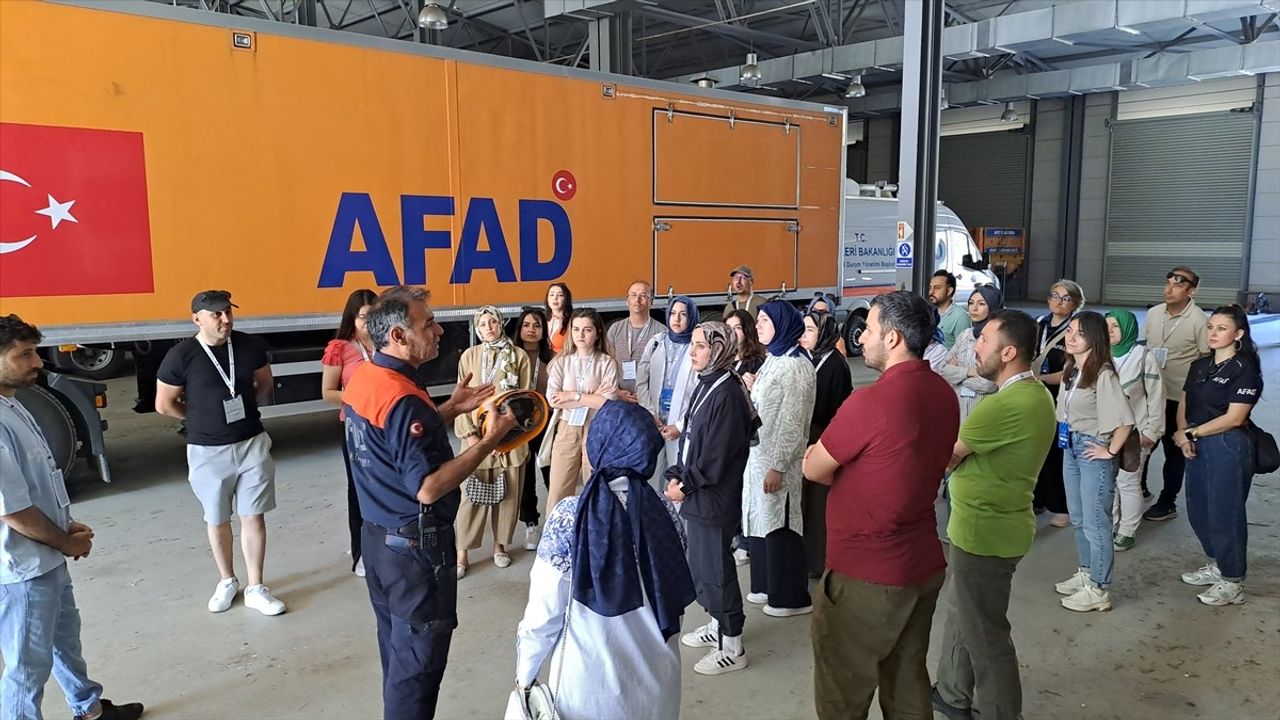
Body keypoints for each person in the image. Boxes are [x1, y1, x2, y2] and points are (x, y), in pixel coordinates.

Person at [342, 285, 514, 719]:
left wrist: (450, 409)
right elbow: (427, 487)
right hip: (416, 554)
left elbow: (394, 444)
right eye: (428, 324)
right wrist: (490, 440)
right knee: (417, 672)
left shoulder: (368, 379)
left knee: (398, 657)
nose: (439, 330)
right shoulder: (403, 400)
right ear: (399, 336)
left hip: (379, 544)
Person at [803, 291, 958, 720]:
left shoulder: (871, 402)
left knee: (842, 695)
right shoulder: (943, 393)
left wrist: (831, 457)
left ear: (892, 339)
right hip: (921, 565)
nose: (862, 337)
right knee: (907, 682)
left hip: (866, 575)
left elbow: (815, 467)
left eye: (869, 329)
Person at [0, 315, 145, 720]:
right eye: (24, 354)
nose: (38, 363)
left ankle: (90, 709)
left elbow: (36, 481)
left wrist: (65, 526)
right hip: (23, 569)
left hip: (46, 555)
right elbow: (13, 510)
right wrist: (66, 541)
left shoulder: (11, 403)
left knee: (65, 639)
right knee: (27, 668)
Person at [514, 401, 695, 720]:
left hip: (587, 690)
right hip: (659, 684)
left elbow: (543, 616)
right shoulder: (667, 515)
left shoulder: (571, 517)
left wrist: (525, 677)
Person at [929, 310, 1056, 720]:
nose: (974, 347)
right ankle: (951, 692)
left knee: (985, 632)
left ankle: (1003, 712)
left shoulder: (1002, 406)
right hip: (991, 525)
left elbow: (945, 458)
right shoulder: (1035, 394)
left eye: (983, 340)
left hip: (986, 531)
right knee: (964, 613)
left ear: (1009, 351)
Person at [155, 290, 285, 616]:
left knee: (253, 515)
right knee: (217, 518)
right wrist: (198, 418)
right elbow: (164, 404)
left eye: (228, 312)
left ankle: (256, 586)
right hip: (207, 450)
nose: (225, 320)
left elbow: (264, 385)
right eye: (216, 315)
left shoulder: (248, 346)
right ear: (197, 318)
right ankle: (227, 580)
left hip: (251, 442)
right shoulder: (181, 356)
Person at [664, 322, 760, 676]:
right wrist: (676, 472)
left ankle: (732, 644)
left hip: (713, 499)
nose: (693, 351)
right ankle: (718, 623)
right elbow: (691, 438)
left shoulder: (727, 393)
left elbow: (715, 458)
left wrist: (683, 485)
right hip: (700, 495)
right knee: (702, 568)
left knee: (716, 571)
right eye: (693, 344)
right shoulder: (709, 383)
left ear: (718, 349)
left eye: (701, 345)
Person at [1175, 305, 1263, 607]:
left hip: (1227, 445)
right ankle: (1219, 564)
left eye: (1222, 328)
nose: (1213, 333)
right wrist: (1183, 432)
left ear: (1238, 334)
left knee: (1226, 512)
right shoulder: (1199, 365)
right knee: (1200, 509)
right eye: (1210, 327)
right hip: (1196, 442)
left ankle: (1233, 579)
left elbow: (1235, 418)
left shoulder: (1245, 368)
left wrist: (1191, 434)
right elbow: (1184, 400)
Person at [1054, 311, 1134, 614]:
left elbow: (1125, 421)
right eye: (1069, 331)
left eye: (1079, 333)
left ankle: (1100, 588)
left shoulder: (1103, 373)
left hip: (1091, 449)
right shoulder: (1073, 369)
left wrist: (1109, 451)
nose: (1070, 337)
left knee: (1096, 522)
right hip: (1070, 446)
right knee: (1078, 517)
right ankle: (1086, 572)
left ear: (1095, 339)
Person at [741, 300, 816, 618]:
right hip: (759, 457)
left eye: (764, 321)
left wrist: (778, 466)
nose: (757, 326)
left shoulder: (796, 365)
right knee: (760, 520)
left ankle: (790, 596)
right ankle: (765, 585)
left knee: (780, 523)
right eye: (757, 320)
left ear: (783, 324)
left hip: (778, 461)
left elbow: (793, 422)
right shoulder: (774, 358)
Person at [454, 306, 532, 579]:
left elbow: (524, 402)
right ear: (477, 329)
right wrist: (474, 437)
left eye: (493, 322)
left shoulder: (519, 356)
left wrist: (503, 440)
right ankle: (461, 552)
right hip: (475, 439)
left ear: (501, 324)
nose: (489, 327)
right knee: (470, 498)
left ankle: (499, 546)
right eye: (483, 323)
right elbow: (461, 402)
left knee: (508, 495)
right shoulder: (469, 356)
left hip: (508, 440)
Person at [1143, 267, 1211, 523]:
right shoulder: (1153, 314)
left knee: (1174, 452)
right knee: (1143, 445)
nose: (1169, 289)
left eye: (1177, 285)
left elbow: (1206, 359)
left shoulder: (1199, 321)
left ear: (1191, 291)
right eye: (1167, 283)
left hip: (1178, 399)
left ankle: (1167, 501)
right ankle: (1139, 487)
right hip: (1150, 396)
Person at [321, 288, 379, 577]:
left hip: (384, 425)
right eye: (363, 317)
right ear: (353, 318)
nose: (369, 322)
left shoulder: (386, 343)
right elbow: (328, 392)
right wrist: (358, 397)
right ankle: (360, 553)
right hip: (356, 427)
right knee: (358, 489)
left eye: (375, 315)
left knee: (383, 487)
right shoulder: (340, 347)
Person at [545, 309, 619, 514]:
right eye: (576, 329)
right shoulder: (561, 362)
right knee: (559, 488)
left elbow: (607, 401)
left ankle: (593, 534)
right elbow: (553, 399)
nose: (581, 335)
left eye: (587, 330)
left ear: (597, 333)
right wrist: (590, 398)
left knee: (594, 484)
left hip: (597, 429)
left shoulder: (606, 363)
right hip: (567, 427)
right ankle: (556, 538)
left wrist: (572, 396)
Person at [798, 311, 853, 577]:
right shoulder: (806, 359)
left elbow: (837, 409)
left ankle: (818, 562)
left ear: (825, 332)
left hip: (824, 437)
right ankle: (805, 558)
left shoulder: (835, 364)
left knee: (819, 505)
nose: (804, 335)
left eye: (809, 329)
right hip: (805, 436)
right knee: (804, 504)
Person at [1106, 310, 1165, 552]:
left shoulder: (1142, 357)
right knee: (1109, 482)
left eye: (1115, 326)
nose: (1110, 331)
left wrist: (1152, 430)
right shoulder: (1100, 354)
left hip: (1135, 433)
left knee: (1128, 482)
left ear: (1128, 329)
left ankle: (1127, 531)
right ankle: (1112, 524)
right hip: (1105, 433)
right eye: (1106, 325)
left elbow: (1156, 395)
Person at [1033, 279, 1085, 529]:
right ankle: (1038, 498)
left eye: (1066, 298)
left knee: (1057, 452)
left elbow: (1071, 369)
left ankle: (1061, 506)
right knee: (1036, 448)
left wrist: (1040, 378)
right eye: (1055, 295)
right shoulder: (1040, 324)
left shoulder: (1076, 330)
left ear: (1075, 303)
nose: (1059, 301)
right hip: (1036, 394)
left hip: (1061, 396)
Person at [637, 296, 700, 472]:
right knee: (651, 475)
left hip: (682, 424)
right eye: (672, 313)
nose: (676, 319)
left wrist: (680, 425)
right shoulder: (657, 342)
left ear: (692, 317)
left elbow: (699, 391)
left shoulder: (697, 346)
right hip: (655, 420)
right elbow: (641, 380)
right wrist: (650, 413)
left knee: (677, 476)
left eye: (683, 314)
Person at [512, 307, 554, 551]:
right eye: (526, 325)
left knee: (551, 469)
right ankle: (530, 523)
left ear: (543, 330)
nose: (531, 329)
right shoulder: (511, 358)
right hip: (519, 424)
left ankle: (556, 517)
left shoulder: (552, 358)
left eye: (536, 325)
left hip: (546, 420)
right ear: (519, 329)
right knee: (525, 473)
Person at [939, 286, 1003, 421]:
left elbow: (989, 384)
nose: (974, 308)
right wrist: (970, 372)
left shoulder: (999, 337)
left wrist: (958, 377)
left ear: (992, 306)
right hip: (959, 408)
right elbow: (943, 369)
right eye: (971, 303)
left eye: (981, 304)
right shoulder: (965, 335)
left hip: (984, 411)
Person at [606, 281, 666, 404]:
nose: (637, 300)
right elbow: (606, 364)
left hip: (649, 400)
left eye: (643, 296)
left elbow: (664, 370)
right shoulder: (615, 329)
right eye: (633, 295)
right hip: (620, 398)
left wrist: (645, 395)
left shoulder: (661, 332)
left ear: (651, 302)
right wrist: (616, 392)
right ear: (627, 301)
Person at [929, 270, 972, 349]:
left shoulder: (960, 317)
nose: (931, 292)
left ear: (949, 291)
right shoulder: (927, 313)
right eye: (931, 287)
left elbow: (963, 350)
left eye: (937, 288)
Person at [725, 310, 766, 377]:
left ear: (747, 331)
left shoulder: (756, 363)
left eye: (738, 328)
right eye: (728, 327)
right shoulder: (719, 360)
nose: (732, 332)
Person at [544, 283, 573, 354]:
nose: (555, 298)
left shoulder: (572, 321)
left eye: (560, 295)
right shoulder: (542, 320)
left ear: (566, 299)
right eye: (551, 295)